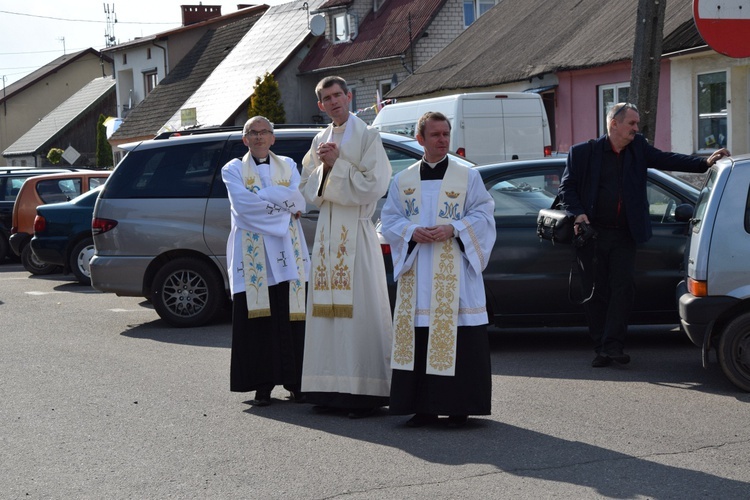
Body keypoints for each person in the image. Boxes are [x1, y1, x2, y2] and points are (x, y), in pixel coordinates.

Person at [559, 102, 730, 368]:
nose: (637, 129)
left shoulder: (638, 148)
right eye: (632, 123)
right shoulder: (583, 153)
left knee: (622, 290)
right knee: (595, 293)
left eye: (637, 124)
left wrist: (704, 163)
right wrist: (579, 214)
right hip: (592, 236)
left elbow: (667, 159)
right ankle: (601, 346)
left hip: (625, 234)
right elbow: (567, 188)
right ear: (613, 123)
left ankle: (614, 346)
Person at [380, 111, 496, 428]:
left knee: (458, 334)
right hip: (418, 272)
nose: (443, 140)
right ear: (421, 139)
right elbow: (388, 220)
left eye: (446, 134)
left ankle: (459, 406)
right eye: (435, 135)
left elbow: (485, 215)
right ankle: (423, 407)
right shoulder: (403, 181)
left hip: (455, 273)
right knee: (421, 333)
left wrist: (455, 228)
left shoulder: (467, 176)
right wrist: (410, 232)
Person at [298, 76, 394, 418]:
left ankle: (362, 394)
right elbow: (307, 189)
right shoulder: (318, 139)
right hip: (327, 238)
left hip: (357, 233)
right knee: (327, 318)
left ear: (349, 97)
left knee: (360, 313)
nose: (335, 101)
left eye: (339, 95)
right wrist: (324, 165)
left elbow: (375, 186)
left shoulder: (368, 136)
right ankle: (328, 390)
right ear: (320, 105)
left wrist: (337, 164)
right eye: (327, 98)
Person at [222, 116, 310, 405]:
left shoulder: (289, 165)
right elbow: (243, 206)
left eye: (264, 132)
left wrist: (266, 198)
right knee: (258, 320)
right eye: (252, 133)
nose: (259, 137)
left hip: (287, 249)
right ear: (244, 139)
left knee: (290, 316)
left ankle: (296, 382)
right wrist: (282, 208)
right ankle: (262, 385)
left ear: (273, 138)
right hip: (253, 255)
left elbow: (297, 198)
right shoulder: (233, 169)